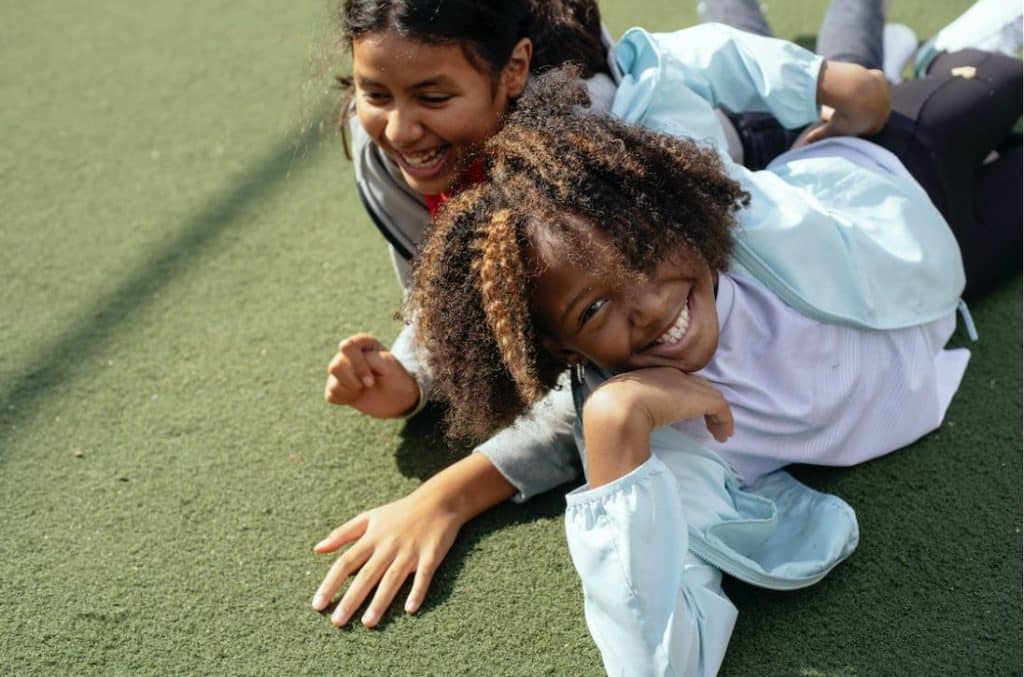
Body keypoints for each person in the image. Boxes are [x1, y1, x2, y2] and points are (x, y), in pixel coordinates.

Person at [311, 0, 1021, 628]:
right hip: (839, 234)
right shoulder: (396, 165)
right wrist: (412, 371)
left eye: (432, 94)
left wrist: (826, 84)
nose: (400, 129)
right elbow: (468, 318)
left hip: (761, 165)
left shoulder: (606, 131)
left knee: (866, 72)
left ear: (516, 68)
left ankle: (885, 59)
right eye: (376, 93)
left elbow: (695, 62)